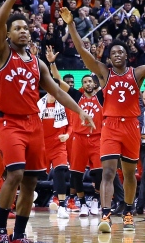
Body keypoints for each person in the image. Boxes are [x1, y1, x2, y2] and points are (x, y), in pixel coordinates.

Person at [0, 0, 94, 243]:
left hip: (33, 123)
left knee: (31, 182)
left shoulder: (38, 63)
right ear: (9, 35)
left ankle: (19, 235)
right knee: (15, 173)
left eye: (26, 28)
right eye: (18, 28)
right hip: (9, 122)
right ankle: (0, 229)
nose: (24, 31)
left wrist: (80, 110)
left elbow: (57, 91)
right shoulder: (0, 53)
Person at [60, 6, 145, 234]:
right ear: (110, 58)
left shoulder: (138, 71)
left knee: (130, 174)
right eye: (114, 53)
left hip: (131, 125)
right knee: (108, 173)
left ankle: (129, 211)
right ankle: (105, 215)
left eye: (121, 52)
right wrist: (71, 24)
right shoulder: (104, 73)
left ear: (127, 55)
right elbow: (83, 51)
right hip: (110, 126)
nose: (118, 55)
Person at [46, 47, 103, 217]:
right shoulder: (77, 97)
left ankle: (96, 201)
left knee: (99, 173)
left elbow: (103, 76)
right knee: (76, 174)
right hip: (78, 138)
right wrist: (52, 63)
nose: (88, 84)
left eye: (90, 81)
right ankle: (83, 203)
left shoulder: (101, 97)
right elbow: (57, 80)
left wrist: (97, 59)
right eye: (85, 82)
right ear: (82, 85)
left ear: (94, 84)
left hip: (96, 138)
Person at [38, 92, 71, 219]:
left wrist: (67, 135)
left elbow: (71, 125)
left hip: (58, 144)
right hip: (42, 145)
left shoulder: (64, 104)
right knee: (35, 176)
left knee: (60, 172)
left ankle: (62, 206)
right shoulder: (39, 105)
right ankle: (28, 200)